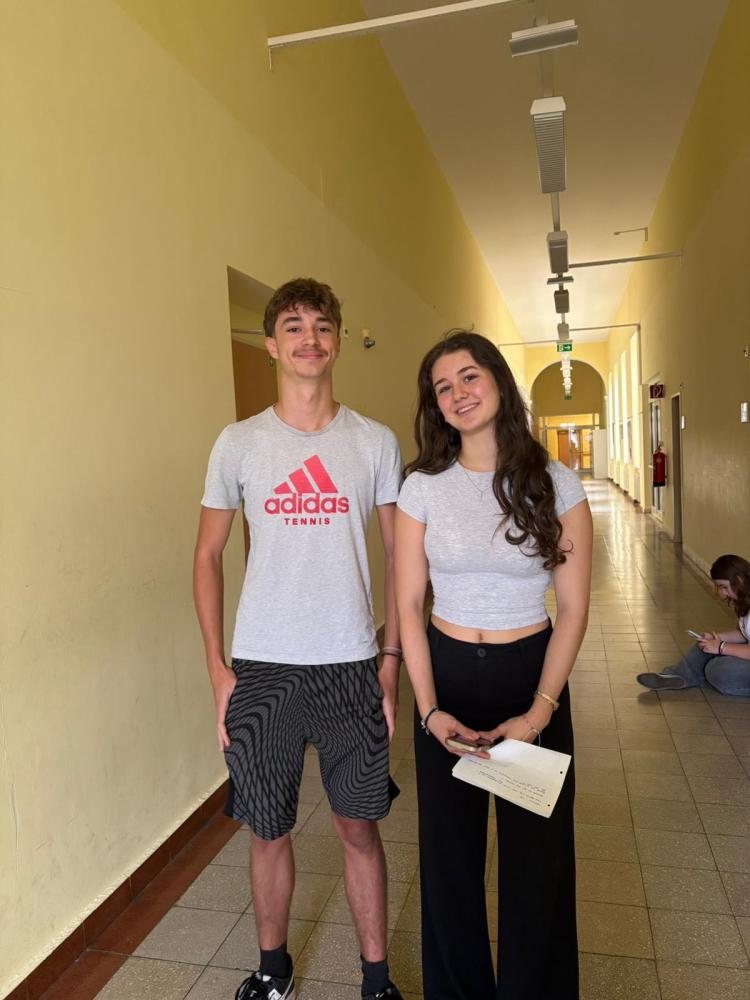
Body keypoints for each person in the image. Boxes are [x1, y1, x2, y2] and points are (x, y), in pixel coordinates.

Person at [193, 277, 404, 1000]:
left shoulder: (374, 441)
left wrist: (390, 662)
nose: (308, 338)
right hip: (263, 669)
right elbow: (206, 556)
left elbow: (402, 559)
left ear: (337, 341)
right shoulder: (239, 443)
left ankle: (376, 981)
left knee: (358, 829)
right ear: (271, 344)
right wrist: (219, 671)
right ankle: (272, 970)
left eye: (321, 325)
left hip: (350, 664)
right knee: (267, 829)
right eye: (293, 326)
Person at [395, 331, 592, 1000]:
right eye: (443, 387)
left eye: (469, 376)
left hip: (527, 678)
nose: (458, 393)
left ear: (499, 383)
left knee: (536, 862)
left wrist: (538, 714)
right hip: (447, 677)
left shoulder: (555, 484)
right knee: (449, 861)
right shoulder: (421, 488)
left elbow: (573, 609)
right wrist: (428, 709)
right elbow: (408, 604)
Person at [637, 553, 750, 695]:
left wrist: (721, 647)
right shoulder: (744, 601)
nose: (722, 594)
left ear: (739, 579)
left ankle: (708, 672)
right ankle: (677, 676)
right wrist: (718, 638)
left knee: (720, 670)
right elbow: (744, 634)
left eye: (724, 587)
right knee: (704, 645)